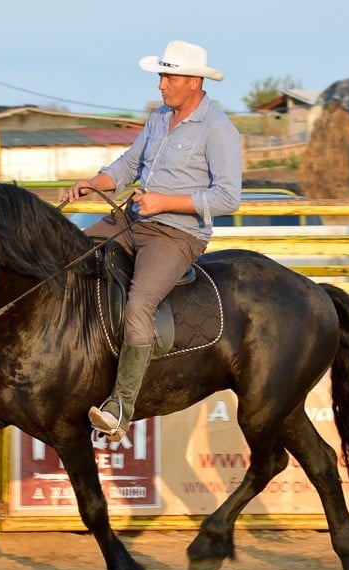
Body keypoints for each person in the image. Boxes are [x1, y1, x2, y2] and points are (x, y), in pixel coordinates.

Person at [63, 40, 242, 441]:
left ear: (194, 82)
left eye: (169, 76)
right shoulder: (160, 118)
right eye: (161, 76)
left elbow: (228, 197)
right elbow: (129, 164)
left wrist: (165, 201)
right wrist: (96, 182)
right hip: (133, 219)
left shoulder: (219, 129)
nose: (161, 85)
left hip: (178, 234)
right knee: (66, 255)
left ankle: (121, 405)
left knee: (140, 304)